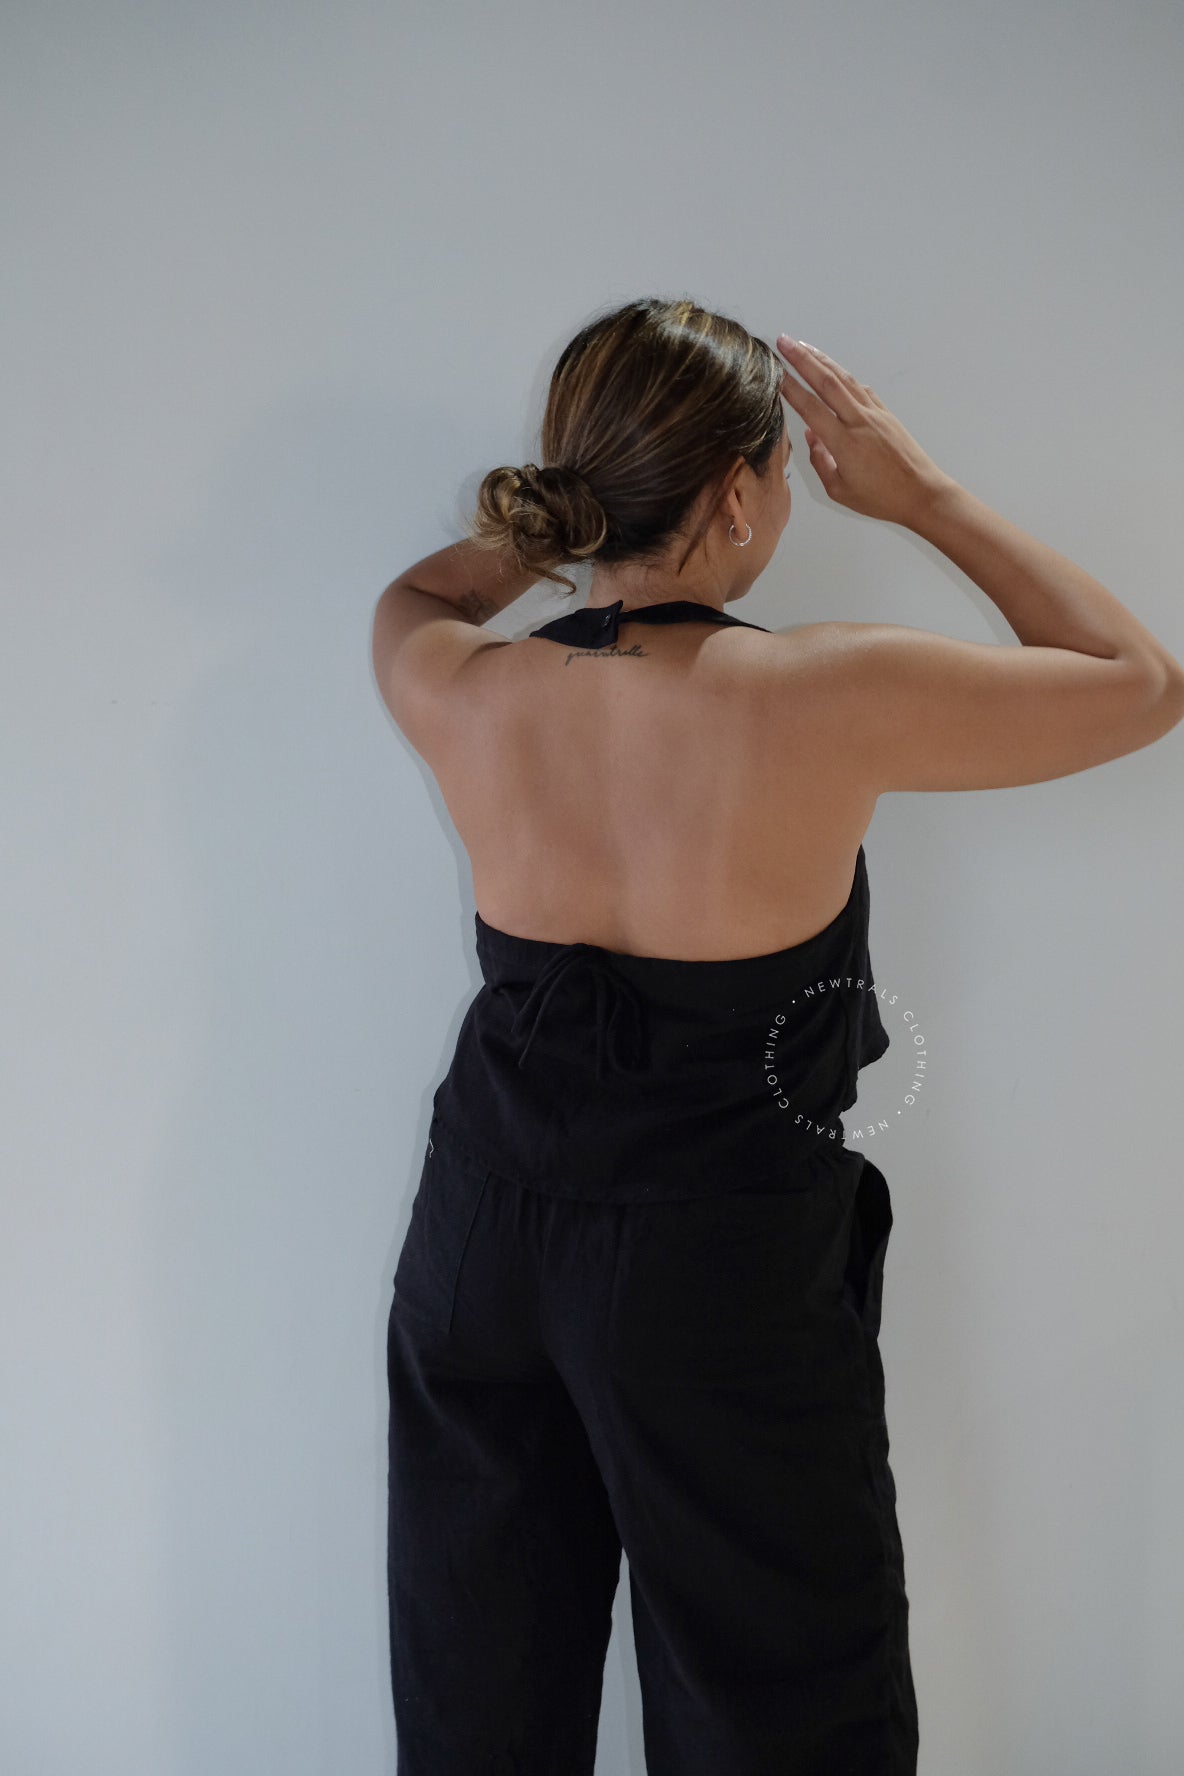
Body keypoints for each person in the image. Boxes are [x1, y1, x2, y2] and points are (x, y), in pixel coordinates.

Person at [370, 297, 1184, 1775]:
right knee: (784, 1709)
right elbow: (1141, 685)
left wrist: (565, 510)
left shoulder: (458, 683)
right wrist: (922, 494)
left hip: (480, 1245)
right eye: (784, 476)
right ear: (739, 497)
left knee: (476, 1699)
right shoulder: (828, 691)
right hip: (719, 1271)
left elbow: (423, 594)